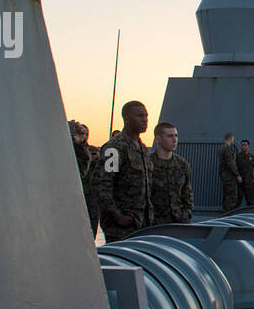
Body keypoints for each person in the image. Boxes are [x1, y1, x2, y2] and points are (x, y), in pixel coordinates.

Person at [96, 101, 154, 242]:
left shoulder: (143, 149)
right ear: (127, 118)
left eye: (146, 116)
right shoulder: (114, 148)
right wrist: (117, 215)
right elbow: (102, 184)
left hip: (142, 224)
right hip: (121, 227)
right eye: (139, 116)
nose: (145, 119)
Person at [150, 121, 193, 224]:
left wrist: (187, 214)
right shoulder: (147, 164)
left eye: (176, 136)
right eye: (170, 136)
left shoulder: (182, 165)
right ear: (158, 139)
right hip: (153, 224)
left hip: (178, 222)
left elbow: (187, 193)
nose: (175, 140)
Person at [70, 120, 100, 236]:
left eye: (85, 133)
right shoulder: (71, 149)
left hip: (91, 194)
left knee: (91, 227)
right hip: (78, 192)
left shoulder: (93, 150)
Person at [218, 131, 240, 211]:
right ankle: (228, 213)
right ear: (231, 138)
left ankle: (225, 212)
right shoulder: (227, 149)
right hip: (229, 176)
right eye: (233, 138)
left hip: (223, 175)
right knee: (231, 196)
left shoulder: (221, 148)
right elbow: (230, 163)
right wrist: (237, 174)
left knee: (226, 195)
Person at [236, 139, 254, 206]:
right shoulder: (237, 157)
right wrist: (237, 176)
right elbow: (234, 168)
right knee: (236, 202)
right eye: (242, 145)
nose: (243, 146)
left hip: (249, 183)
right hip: (239, 183)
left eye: (245, 145)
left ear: (248, 146)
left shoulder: (253, 158)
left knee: (251, 202)